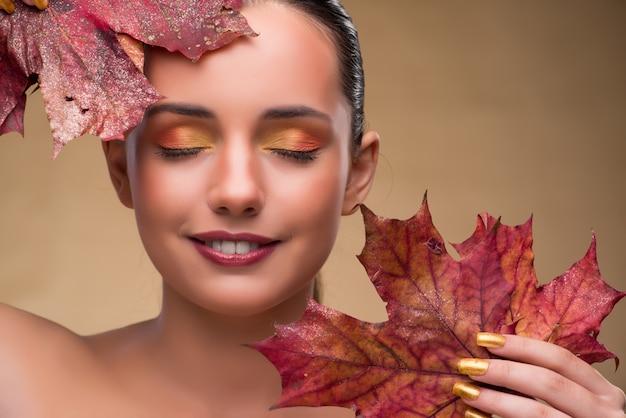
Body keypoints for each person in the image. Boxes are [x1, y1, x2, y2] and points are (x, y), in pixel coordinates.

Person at [1, 0, 625, 417]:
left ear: (357, 174)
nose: (238, 190)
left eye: (292, 149)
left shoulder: (469, 408)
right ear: (122, 168)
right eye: (182, 145)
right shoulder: (17, 377)